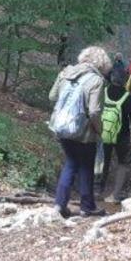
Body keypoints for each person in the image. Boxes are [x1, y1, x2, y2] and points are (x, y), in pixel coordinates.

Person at [48, 46, 110, 218]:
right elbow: (94, 111)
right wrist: (100, 129)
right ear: (102, 63)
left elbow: (52, 96)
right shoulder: (96, 80)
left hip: (63, 127)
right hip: (85, 132)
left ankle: (60, 205)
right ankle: (87, 207)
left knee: (71, 163)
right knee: (86, 167)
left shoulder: (65, 73)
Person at [99, 70, 131, 202]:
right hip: (122, 135)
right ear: (125, 81)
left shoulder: (103, 92)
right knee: (123, 163)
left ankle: (98, 190)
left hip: (104, 132)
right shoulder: (128, 97)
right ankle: (115, 195)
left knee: (103, 161)